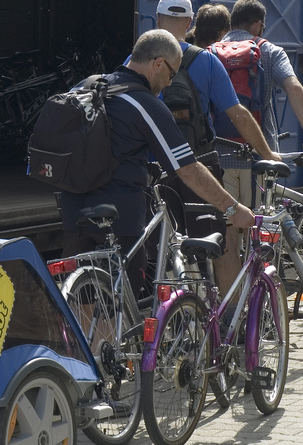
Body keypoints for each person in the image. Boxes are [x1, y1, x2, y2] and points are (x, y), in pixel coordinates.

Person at [61, 29, 256, 300]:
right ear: (158, 64)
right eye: (171, 74)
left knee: (84, 296)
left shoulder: (85, 86)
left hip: (73, 209)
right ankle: (108, 342)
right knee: (116, 303)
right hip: (121, 216)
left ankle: (84, 343)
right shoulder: (145, 103)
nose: (168, 83)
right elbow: (187, 169)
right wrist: (232, 208)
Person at [150, 0, 276, 297]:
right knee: (220, 244)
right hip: (200, 165)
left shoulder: (139, 59)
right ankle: (229, 315)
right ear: (190, 22)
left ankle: (171, 316)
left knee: (162, 246)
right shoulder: (206, 60)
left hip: (155, 169)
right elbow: (239, 116)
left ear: (157, 20)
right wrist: (268, 154)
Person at [217, 0, 303, 284]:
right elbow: (293, 87)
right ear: (257, 25)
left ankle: (232, 313)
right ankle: (260, 305)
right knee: (260, 233)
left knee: (228, 236)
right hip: (261, 161)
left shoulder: (209, 53)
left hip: (219, 159)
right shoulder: (270, 52)